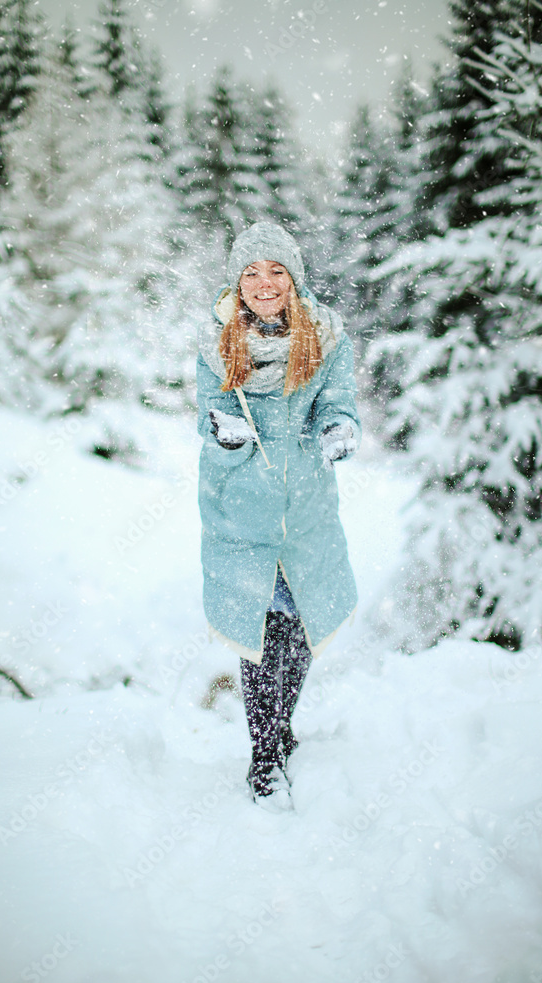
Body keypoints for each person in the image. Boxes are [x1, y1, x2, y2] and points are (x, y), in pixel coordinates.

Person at [196, 221, 361, 809]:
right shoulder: (217, 339)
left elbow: (338, 401)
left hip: (305, 505)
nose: (264, 283)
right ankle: (264, 759)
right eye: (251, 272)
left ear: (293, 278)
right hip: (242, 507)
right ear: (237, 282)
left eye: (276, 271)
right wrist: (226, 431)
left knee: (301, 627)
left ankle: (281, 724)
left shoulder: (327, 336)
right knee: (260, 634)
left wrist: (339, 429)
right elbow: (207, 410)